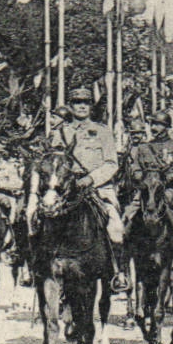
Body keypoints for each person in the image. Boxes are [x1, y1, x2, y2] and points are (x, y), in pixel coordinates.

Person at [43, 87, 128, 292]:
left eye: (86, 102)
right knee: (40, 218)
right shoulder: (59, 132)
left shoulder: (102, 131)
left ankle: (119, 272)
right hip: (66, 190)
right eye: (77, 102)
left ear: (91, 106)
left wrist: (90, 179)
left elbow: (111, 164)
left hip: (98, 188)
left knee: (115, 226)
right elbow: (51, 161)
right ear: (71, 106)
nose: (82, 106)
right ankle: (39, 268)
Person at [122, 110, 173, 278]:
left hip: (172, 192)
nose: (154, 127)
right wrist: (143, 177)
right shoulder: (143, 148)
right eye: (153, 124)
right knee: (127, 220)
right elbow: (135, 170)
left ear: (167, 127)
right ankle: (123, 269)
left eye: (158, 124)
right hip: (148, 193)